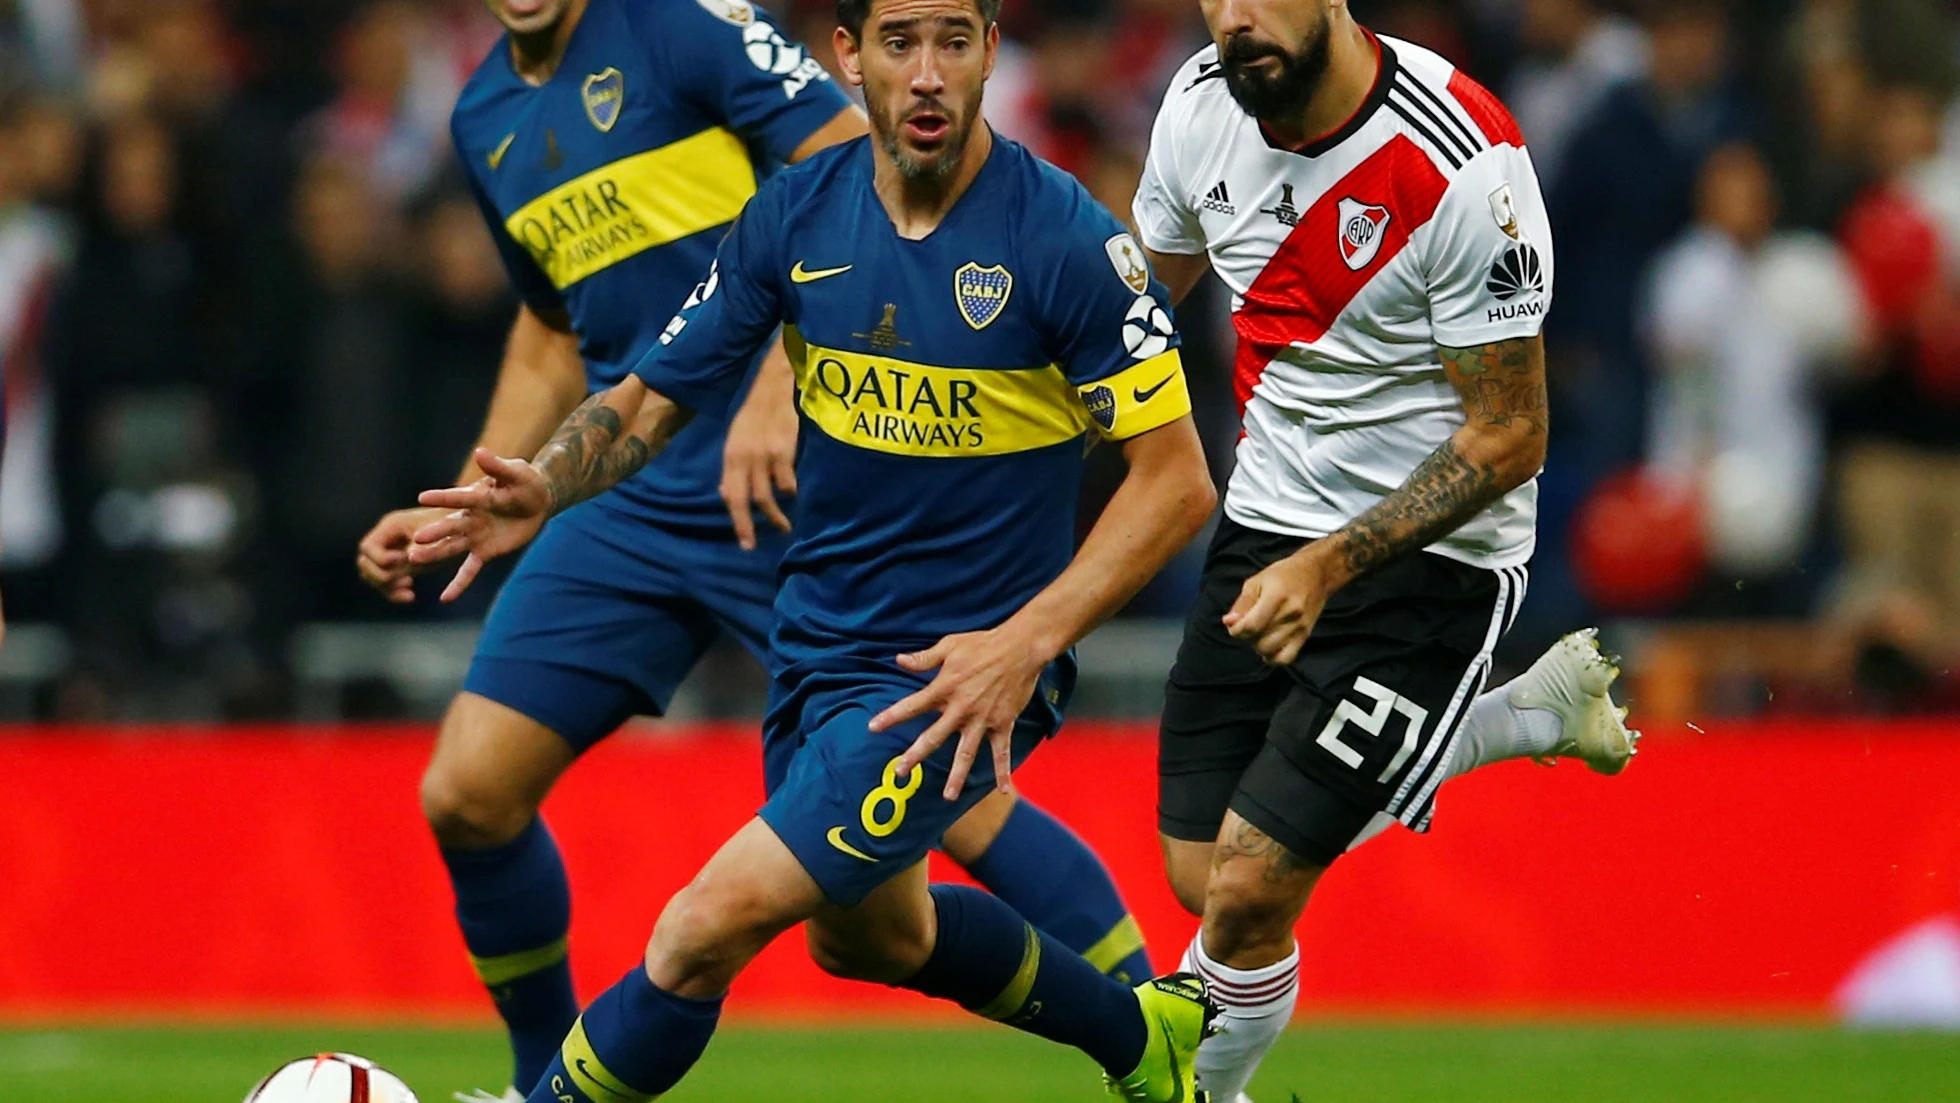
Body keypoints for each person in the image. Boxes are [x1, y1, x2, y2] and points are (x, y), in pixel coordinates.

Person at [408, 0, 1224, 1098]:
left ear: (992, 49)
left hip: (947, 671)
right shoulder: (791, 215)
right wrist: (542, 486)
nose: (926, 74)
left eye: (952, 41)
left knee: (700, 927)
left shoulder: (1071, 242)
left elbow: (1174, 484)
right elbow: (649, 398)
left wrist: (1024, 641)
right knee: (872, 939)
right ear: (848, 56)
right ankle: (1148, 1039)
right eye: (898, 43)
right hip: (821, 647)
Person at [1130, 1, 1640, 1099]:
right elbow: (1141, 295)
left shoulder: (1464, 162)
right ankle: (1516, 719)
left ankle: (1209, 1094)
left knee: (1248, 887)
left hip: (1433, 560)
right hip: (1265, 521)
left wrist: (1327, 567)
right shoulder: (1194, 104)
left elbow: (1511, 432)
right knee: (1194, 869)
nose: (1235, 19)